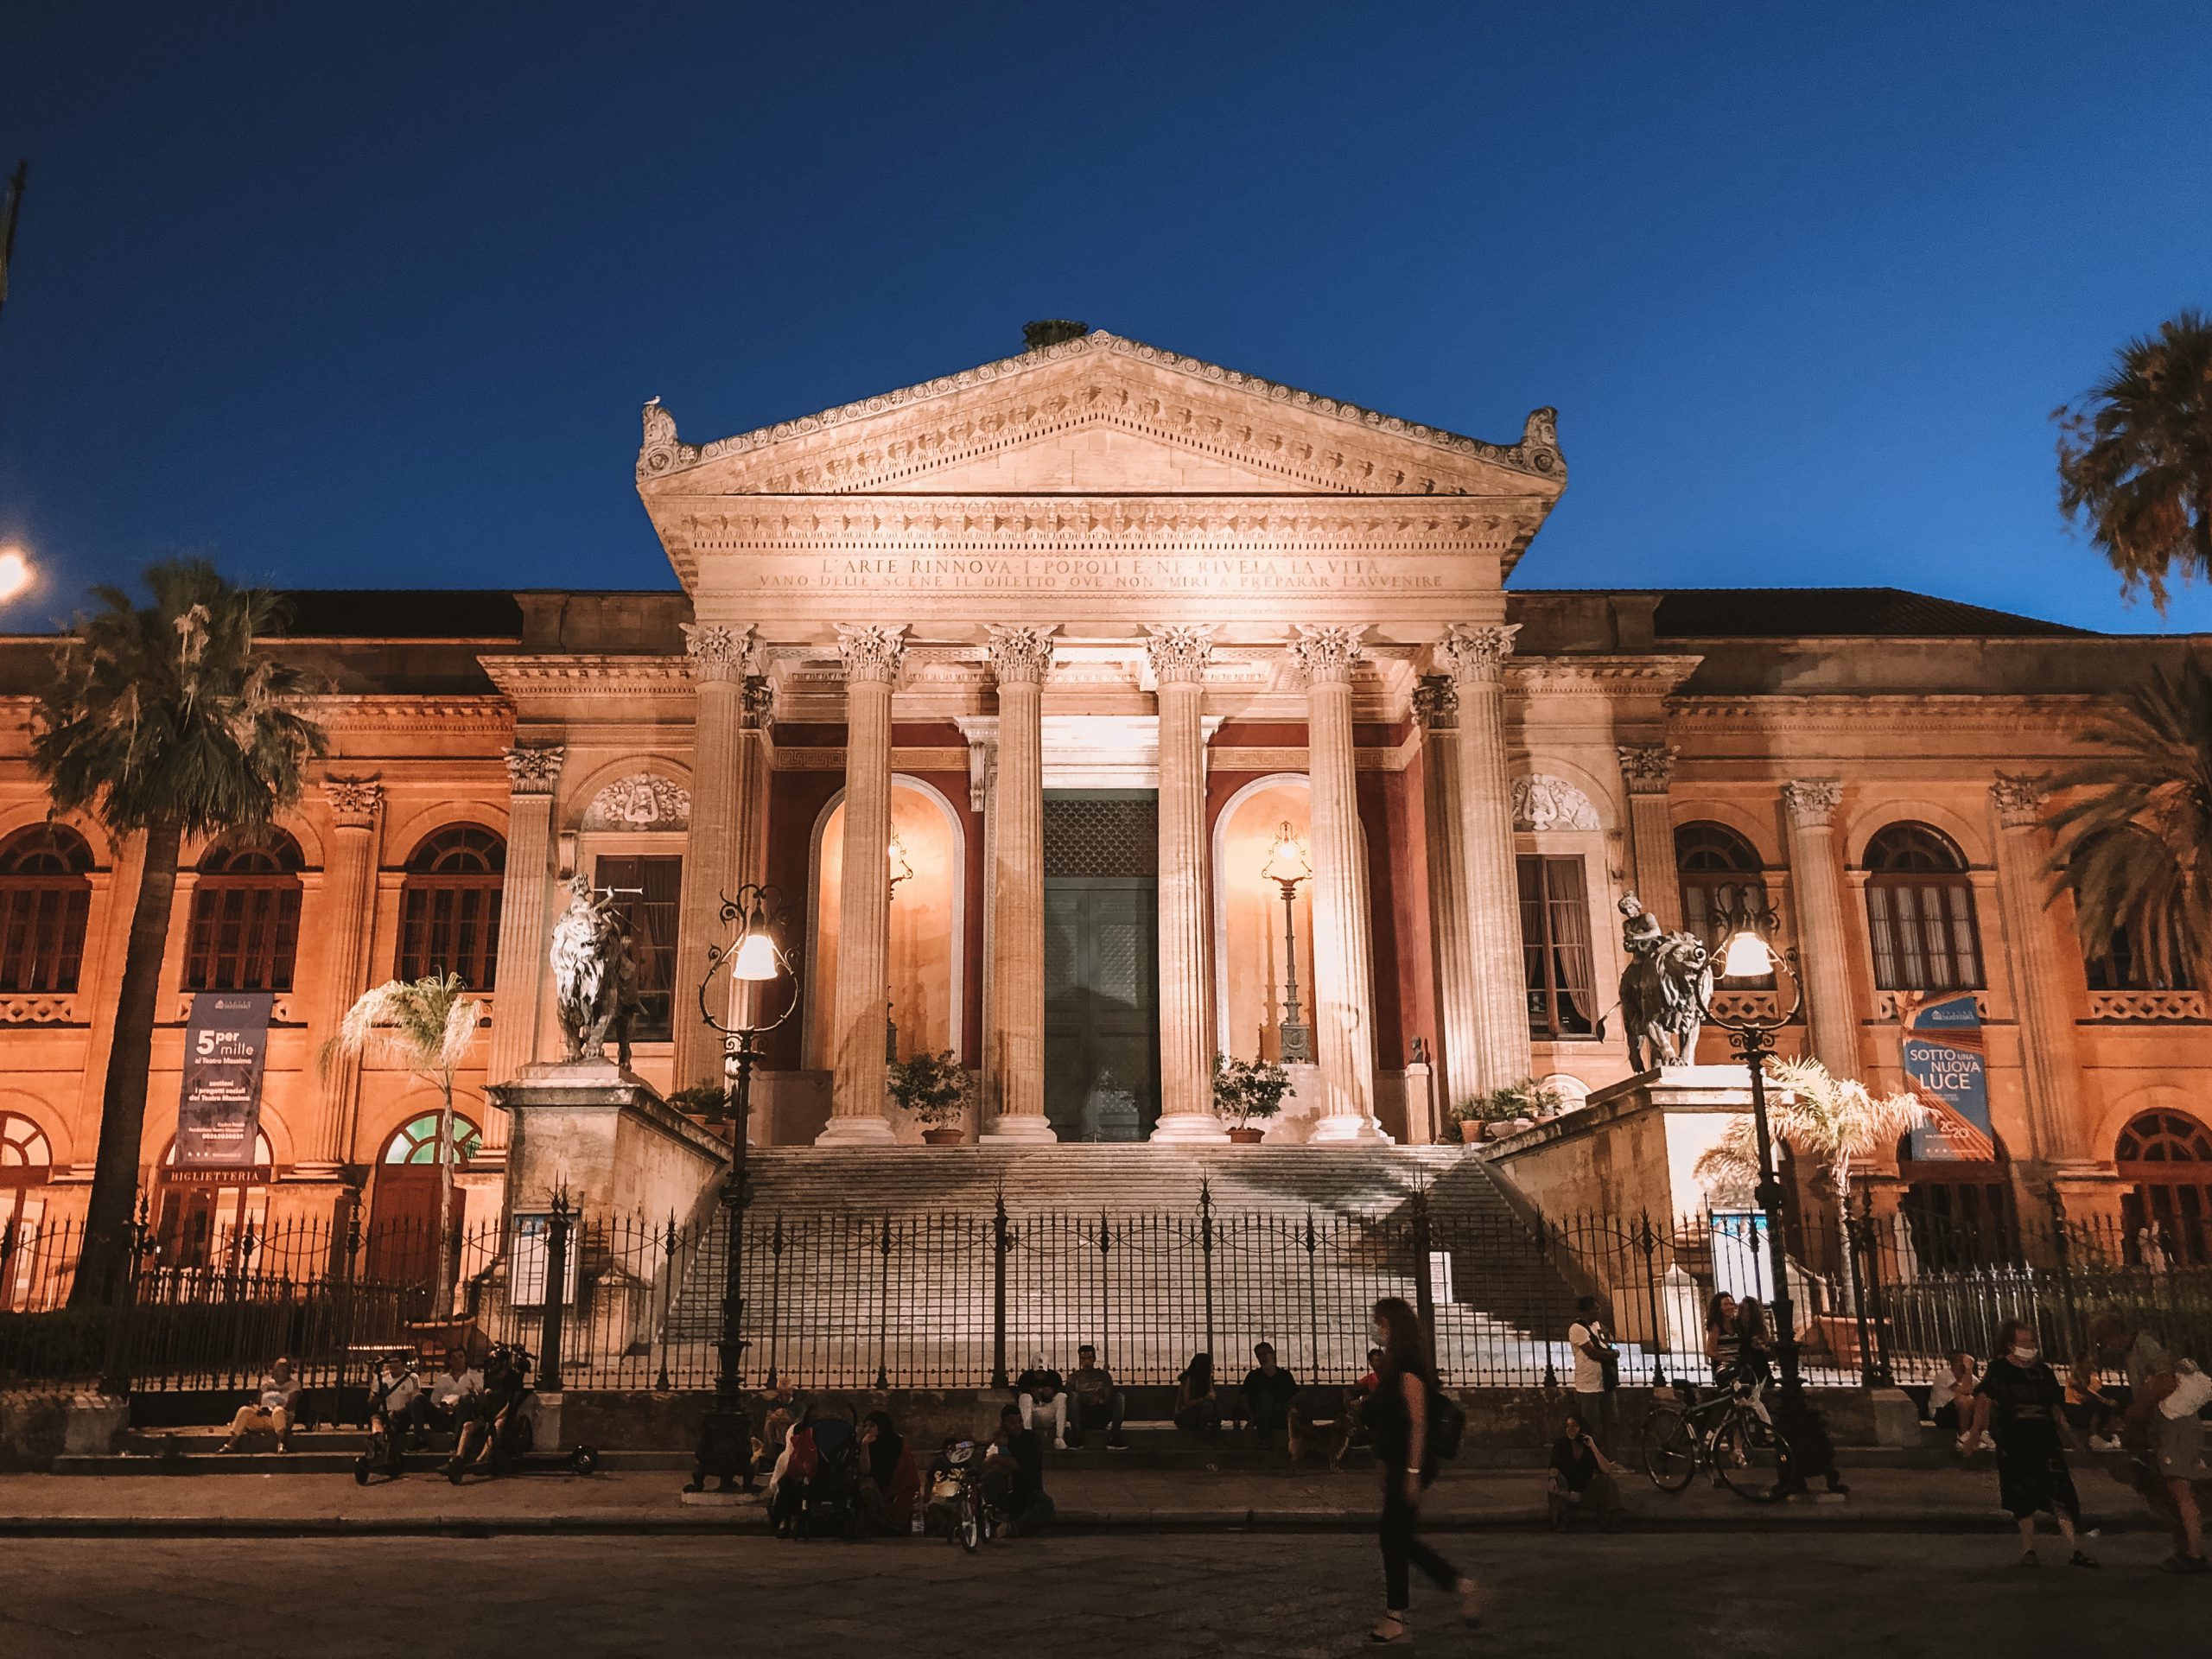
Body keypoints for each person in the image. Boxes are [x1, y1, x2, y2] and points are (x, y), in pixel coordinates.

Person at [1364, 1296, 1480, 1645]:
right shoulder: (1394, 1367)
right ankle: (1459, 1587)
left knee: (1393, 1536)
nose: (1375, 1329)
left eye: (1379, 1322)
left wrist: (1412, 1473)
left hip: (1411, 1464)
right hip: (1400, 1464)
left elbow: (1417, 1423)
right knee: (1399, 1538)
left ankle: (1397, 1616)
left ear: (1391, 1326)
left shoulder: (1408, 1370)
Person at [1958, 1319, 2095, 1567]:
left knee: (2060, 1493)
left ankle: (2076, 1549)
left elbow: (2056, 1409)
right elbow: (1984, 1401)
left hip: (2044, 1439)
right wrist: (1975, 1435)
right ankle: (2028, 1549)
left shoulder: (2042, 1372)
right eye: (2023, 1342)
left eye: (2031, 1341)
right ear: (2010, 1344)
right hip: (2014, 1439)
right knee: (2022, 1495)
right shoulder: (1999, 1370)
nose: (2029, 1346)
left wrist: (2073, 1439)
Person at [2090, 1312, 2209, 1573]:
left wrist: (2136, 1412)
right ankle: (2184, 1549)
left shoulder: (2145, 1347)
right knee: (2171, 1490)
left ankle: (2194, 1553)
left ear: (2112, 1335)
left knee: (2180, 1489)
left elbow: (2165, 1381)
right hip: (2166, 1425)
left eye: (2103, 1341)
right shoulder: (2135, 1350)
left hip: (2174, 1425)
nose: (2105, 1348)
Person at [1546, 1410, 1625, 1532]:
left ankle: (1612, 1520)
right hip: (1565, 1493)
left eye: (1574, 1426)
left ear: (1582, 1428)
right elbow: (1554, 1465)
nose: (1570, 1429)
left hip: (1584, 1494)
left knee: (1607, 1481)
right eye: (1568, 1426)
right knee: (1557, 1479)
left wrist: (1593, 1447)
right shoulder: (1561, 1444)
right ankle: (1560, 1521)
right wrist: (1552, 1478)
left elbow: (1606, 1470)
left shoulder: (1589, 1448)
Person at [984, 1402, 1053, 1537]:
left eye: (1020, 1421)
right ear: (1004, 1423)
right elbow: (985, 1464)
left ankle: (1014, 1527)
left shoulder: (1030, 1439)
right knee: (989, 1479)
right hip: (1006, 1494)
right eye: (1012, 1423)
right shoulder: (999, 1440)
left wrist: (995, 1458)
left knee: (1046, 1505)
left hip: (1028, 1492)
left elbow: (1020, 1465)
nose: (1017, 1426)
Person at [855, 1409, 921, 1535]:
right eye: (866, 1426)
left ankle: (893, 1526)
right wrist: (865, 1446)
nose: (868, 1429)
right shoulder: (866, 1444)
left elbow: (907, 1477)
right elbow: (865, 1471)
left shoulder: (897, 1444)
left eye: (872, 1426)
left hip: (896, 1493)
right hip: (876, 1490)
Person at [404, 1346, 483, 1446]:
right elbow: (434, 1400)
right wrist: (440, 1408)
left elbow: (477, 1400)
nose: (458, 1360)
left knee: (465, 1399)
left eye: (460, 1357)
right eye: (454, 1358)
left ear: (465, 1358)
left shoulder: (475, 1377)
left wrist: (457, 1407)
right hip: (443, 1416)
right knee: (418, 1398)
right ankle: (420, 1438)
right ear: (449, 1361)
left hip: (462, 1416)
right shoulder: (443, 1379)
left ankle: (456, 1440)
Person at [220, 1357, 302, 1452]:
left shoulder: (294, 1385)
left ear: (288, 1371)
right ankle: (231, 1443)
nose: (277, 1372)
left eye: (283, 1369)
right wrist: (257, 1409)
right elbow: (257, 1402)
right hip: (263, 1418)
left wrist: (271, 1410)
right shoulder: (267, 1384)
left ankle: (282, 1443)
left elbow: (290, 1406)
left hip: (281, 1419)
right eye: (276, 1369)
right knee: (244, 1410)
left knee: (278, 1411)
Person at [1566, 1296, 1619, 1436]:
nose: (1599, 1311)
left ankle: (1609, 1456)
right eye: (1596, 1309)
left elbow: (1609, 1340)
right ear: (1587, 1311)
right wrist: (1612, 1354)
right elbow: (1593, 1353)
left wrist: (1612, 1348)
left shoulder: (1597, 1325)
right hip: (1588, 1385)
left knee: (1612, 1422)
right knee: (1591, 1425)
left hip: (1606, 1382)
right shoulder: (1577, 1328)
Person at [1065, 1344, 1127, 1449]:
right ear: (1080, 1360)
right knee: (1073, 1396)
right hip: (1083, 1415)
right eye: (1083, 1359)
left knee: (1120, 1397)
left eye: (1089, 1358)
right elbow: (1071, 1397)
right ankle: (1077, 1436)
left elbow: (1108, 1394)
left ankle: (1114, 1437)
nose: (1086, 1362)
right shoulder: (1073, 1378)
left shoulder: (1103, 1376)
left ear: (1094, 1359)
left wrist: (1098, 1399)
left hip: (1101, 1414)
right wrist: (1087, 1399)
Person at [1240, 1342, 1300, 1444]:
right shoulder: (1254, 1376)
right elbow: (1244, 1397)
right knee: (1265, 1396)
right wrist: (1251, 1416)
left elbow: (1294, 1395)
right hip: (1263, 1415)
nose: (1262, 1358)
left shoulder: (1285, 1375)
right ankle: (1264, 1439)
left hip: (1282, 1413)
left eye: (1265, 1353)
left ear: (1273, 1354)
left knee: (1302, 1397)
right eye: (1259, 1355)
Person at [365, 1352, 420, 1464]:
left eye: (396, 1361)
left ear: (404, 1363)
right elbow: (371, 1403)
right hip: (383, 1413)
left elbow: (414, 1401)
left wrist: (398, 1412)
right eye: (391, 1361)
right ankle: (378, 1437)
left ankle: (386, 1453)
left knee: (393, 1427)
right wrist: (377, 1396)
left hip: (401, 1415)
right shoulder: (381, 1378)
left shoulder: (412, 1378)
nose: (393, 1365)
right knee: (375, 1419)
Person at [2063, 1356, 2123, 1451]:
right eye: (2088, 1363)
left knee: (2107, 1400)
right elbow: (2084, 1390)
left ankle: (2110, 1434)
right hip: (2074, 1411)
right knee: (2098, 1401)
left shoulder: (2094, 1379)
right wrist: (2104, 1400)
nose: (2091, 1365)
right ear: (2081, 1364)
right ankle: (2093, 1437)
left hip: (2088, 1411)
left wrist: (2108, 1402)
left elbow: (2099, 1394)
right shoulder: (2072, 1378)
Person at [1014, 1352, 1069, 1450]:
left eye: (1042, 1372)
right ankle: (1028, 1437)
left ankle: (1059, 1437)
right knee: (1025, 1397)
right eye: (1037, 1372)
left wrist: (1053, 1392)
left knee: (1062, 1396)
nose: (1040, 1375)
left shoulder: (1055, 1377)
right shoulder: (1025, 1377)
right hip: (1032, 1413)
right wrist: (1032, 1392)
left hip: (1049, 1412)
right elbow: (1019, 1395)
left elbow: (1061, 1393)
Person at [1931, 1350, 1979, 1446]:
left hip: (1962, 1413)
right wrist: (1969, 1369)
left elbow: (1983, 1389)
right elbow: (1966, 1391)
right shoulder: (1945, 1375)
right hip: (1942, 1413)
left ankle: (1983, 1435)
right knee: (1965, 1400)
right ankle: (1963, 1437)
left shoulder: (1970, 1377)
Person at [1174, 1351, 1221, 1438]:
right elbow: (1186, 1403)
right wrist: (1205, 1398)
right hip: (1184, 1416)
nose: (1213, 1366)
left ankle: (1215, 1439)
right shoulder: (1189, 1379)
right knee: (1208, 1405)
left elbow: (1211, 1396)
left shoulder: (1206, 1378)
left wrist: (1210, 1394)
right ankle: (1202, 1438)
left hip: (1199, 1414)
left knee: (1213, 1405)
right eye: (1210, 1364)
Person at [1734, 1298, 1777, 1389]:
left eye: (1747, 1311)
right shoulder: (1736, 1325)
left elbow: (1767, 1346)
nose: (1744, 1314)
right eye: (1742, 1310)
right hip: (1743, 1361)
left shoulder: (1759, 1326)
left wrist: (1761, 1346)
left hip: (1758, 1362)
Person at [1703, 1293, 1740, 1389]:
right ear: (1719, 1307)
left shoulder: (1737, 1324)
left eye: (1731, 1304)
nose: (1729, 1307)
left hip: (1739, 1364)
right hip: (1724, 1367)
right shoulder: (1716, 1326)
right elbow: (1710, 1351)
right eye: (1725, 1304)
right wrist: (1728, 1359)